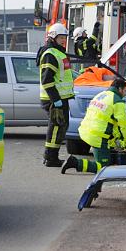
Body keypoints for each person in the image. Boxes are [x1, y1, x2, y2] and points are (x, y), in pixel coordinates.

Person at [61, 77, 126, 174]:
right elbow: (124, 126)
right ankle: (74, 163)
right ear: (119, 89)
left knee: (107, 160)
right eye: (125, 91)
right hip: (97, 137)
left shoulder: (101, 95)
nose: (125, 94)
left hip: (86, 131)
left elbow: (110, 122)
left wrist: (115, 142)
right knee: (104, 169)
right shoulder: (117, 101)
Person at [38, 23, 74, 167]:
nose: (63, 40)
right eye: (60, 37)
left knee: (60, 127)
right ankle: (50, 158)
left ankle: (52, 156)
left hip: (60, 98)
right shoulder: (50, 54)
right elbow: (46, 79)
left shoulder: (58, 52)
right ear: (53, 37)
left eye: (64, 37)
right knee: (56, 128)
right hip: (54, 99)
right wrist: (56, 99)